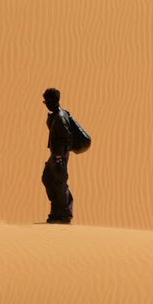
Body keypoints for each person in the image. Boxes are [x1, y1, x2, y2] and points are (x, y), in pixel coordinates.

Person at [41, 88, 91, 224]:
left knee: (59, 183)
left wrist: (59, 158)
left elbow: (66, 138)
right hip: (56, 155)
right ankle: (57, 211)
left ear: (52, 101)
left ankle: (64, 215)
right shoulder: (57, 115)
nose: (45, 103)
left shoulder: (60, 118)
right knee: (49, 179)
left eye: (46, 101)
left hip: (59, 156)